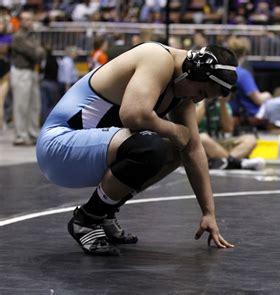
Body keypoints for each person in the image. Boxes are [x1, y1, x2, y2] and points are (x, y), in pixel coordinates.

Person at [36, 43, 236, 256]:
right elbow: (133, 115)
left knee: (176, 150)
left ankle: (105, 212)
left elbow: (193, 149)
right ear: (194, 69)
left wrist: (208, 213)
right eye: (201, 91)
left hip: (83, 150)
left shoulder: (182, 93)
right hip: (58, 146)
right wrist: (174, 129)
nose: (197, 99)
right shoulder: (157, 58)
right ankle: (87, 219)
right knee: (151, 146)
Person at [227, 37, 280, 158]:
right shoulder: (242, 73)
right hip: (257, 111)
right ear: (245, 53)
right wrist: (267, 95)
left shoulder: (230, 71)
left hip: (244, 111)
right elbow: (258, 99)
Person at [196, 97, 265, 170]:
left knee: (250, 139)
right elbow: (193, 122)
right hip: (200, 145)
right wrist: (203, 101)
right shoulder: (195, 103)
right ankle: (238, 163)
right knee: (203, 138)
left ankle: (224, 162)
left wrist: (222, 103)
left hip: (218, 142)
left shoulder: (221, 105)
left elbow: (228, 129)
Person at [10, 11, 45, 145]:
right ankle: (20, 135)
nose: (28, 22)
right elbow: (34, 53)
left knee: (34, 105)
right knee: (21, 105)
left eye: (30, 19)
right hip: (21, 72)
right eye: (25, 19)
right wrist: (38, 50)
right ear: (20, 21)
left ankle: (33, 133)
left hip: (32, 72)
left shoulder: (32, 35)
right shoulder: (18, 36)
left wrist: (39, 50)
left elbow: (42, 51)